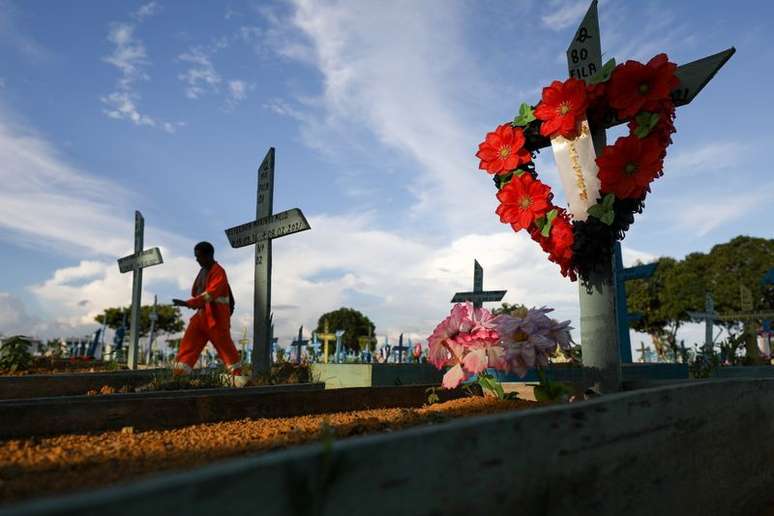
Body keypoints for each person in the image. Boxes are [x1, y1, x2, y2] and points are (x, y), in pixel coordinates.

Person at [172, 241, 246, 386]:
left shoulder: (219, 272)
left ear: (209, 255)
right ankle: (178, 377)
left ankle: (239, 380)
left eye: (199, 257)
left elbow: (209, 294)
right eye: (196, 257)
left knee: (226, 350)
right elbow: (199, 293)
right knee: (187, 346)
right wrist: (192, 303)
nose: (197, 260)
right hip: (201, 317)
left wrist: (189, 303)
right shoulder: (202, 272)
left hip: (216, 320)